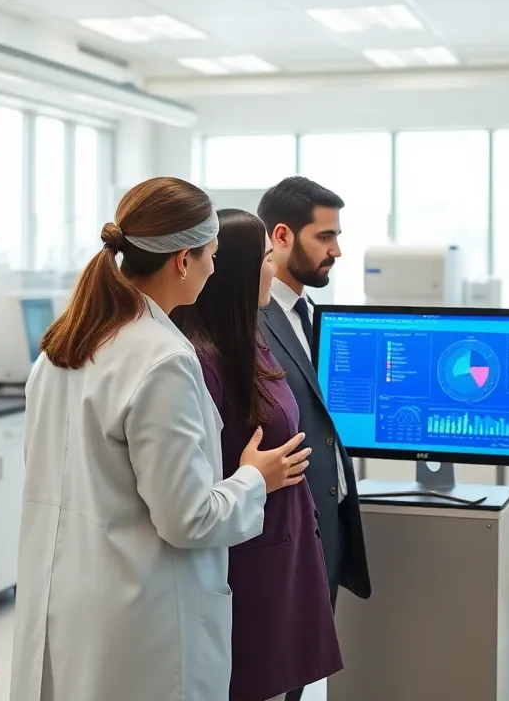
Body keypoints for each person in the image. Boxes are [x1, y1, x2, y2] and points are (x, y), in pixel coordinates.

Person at [11, 178, 312, 701]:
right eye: (212, 255)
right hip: (140, 625)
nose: (215, 269)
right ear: (182, 261)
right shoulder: (163, 359)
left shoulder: (62, 349)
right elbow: (188, 518)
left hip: (68, 606)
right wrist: (253, 479)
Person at [173, 209, 343, 701]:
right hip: (246, 559)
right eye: (268, 258)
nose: (275, 268)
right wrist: (255, 478)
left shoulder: (251, 340)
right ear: (238, 271)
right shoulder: (200, 361)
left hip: (282, 543)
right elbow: (196, 484)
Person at [257, 177, 371, 701]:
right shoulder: (252, 321)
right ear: (281, 236)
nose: (337, 251)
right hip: (285, 530)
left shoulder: (313, 317)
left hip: (326, 525)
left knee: (300, 680)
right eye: (325, 237)